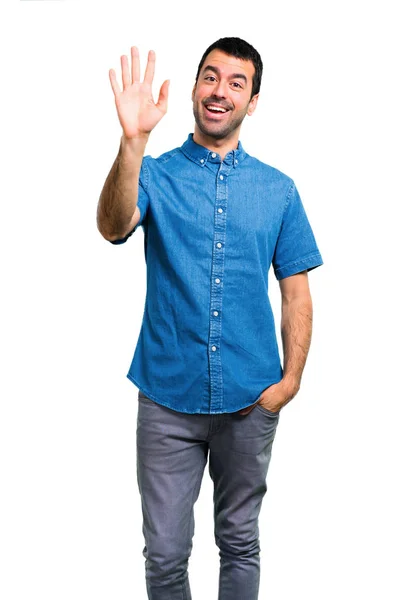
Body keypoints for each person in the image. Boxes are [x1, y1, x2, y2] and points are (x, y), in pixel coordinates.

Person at [97, 37, 323, 600]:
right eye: (210, 77)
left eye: (236, 82)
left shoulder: (279, 190)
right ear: (196, 87)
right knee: (167, 556)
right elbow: (112, 224)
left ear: (253, 102)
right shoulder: (154, 173)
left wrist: (289, 382)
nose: (219, 91)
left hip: (251, 401)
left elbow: (297, 293)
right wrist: (132, 143)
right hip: (166, 399)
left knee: (240, 542)